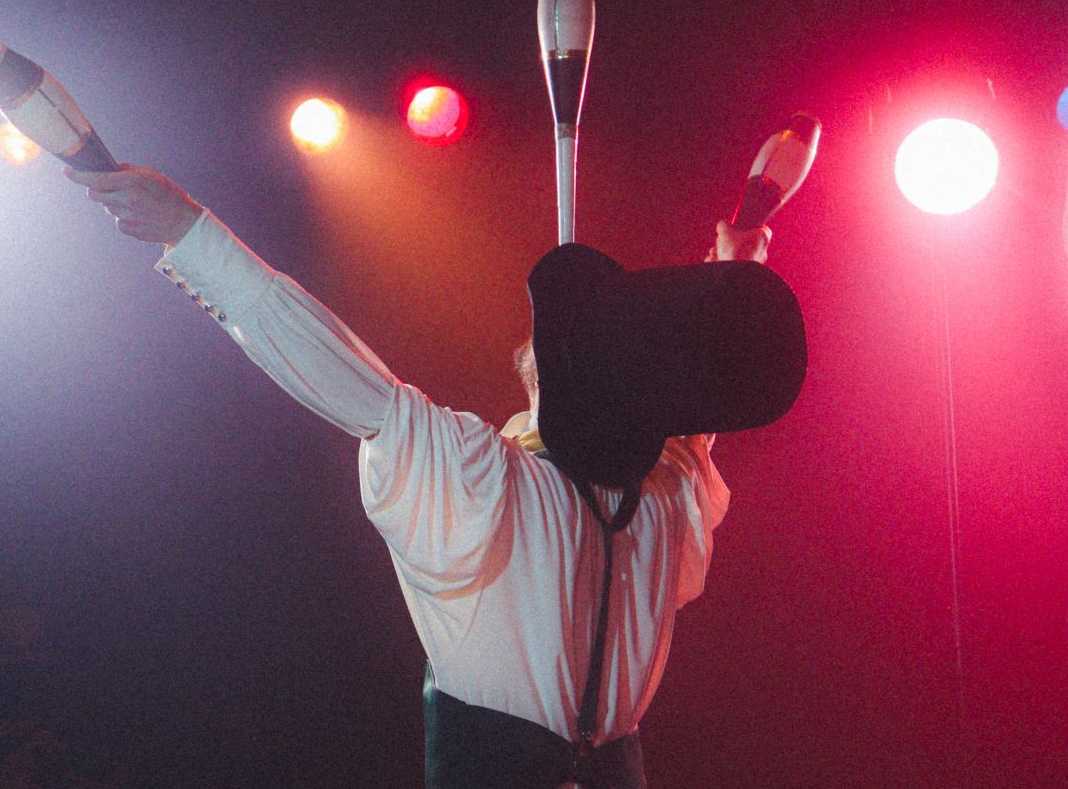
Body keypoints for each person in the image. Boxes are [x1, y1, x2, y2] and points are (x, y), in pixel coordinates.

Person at [65, 162, 773, 788]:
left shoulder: (487, 485)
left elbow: (354, 384)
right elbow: (692, 414)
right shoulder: (664, 501)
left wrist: (192, 234)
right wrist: (731, 275)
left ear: (543, 378)